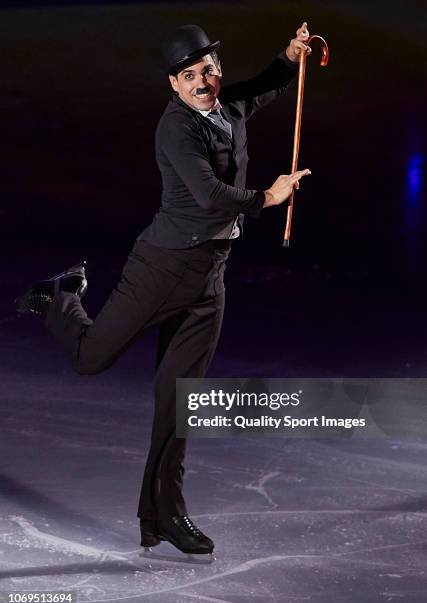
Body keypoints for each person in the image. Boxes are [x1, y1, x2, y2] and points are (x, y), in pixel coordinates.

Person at [15, 22, 312, 555]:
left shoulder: (226, 106)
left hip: (209, 276)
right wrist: (268, 198)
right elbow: (208, 195)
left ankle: (166, 514)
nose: (203, 82)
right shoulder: (175, 129)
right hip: (162, 269)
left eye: (209, 70)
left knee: (179, 404)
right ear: (173, 84)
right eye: (189, 75)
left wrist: (290, 57)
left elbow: (265, 86)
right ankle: (59, 297)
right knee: (89, 359)